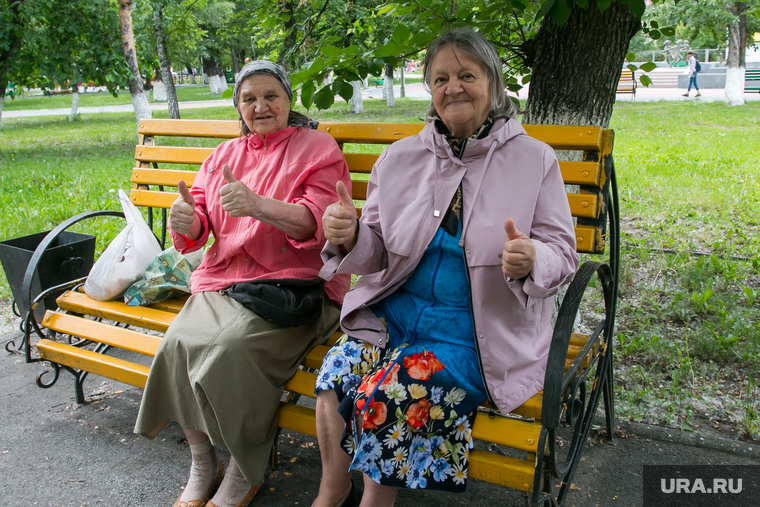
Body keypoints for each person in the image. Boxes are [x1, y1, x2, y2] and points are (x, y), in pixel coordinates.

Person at [311, 29, 580, 507]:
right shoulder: (400, 159)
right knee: (335, 378)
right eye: (440, 78)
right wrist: (351, 236)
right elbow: (376, 252)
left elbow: (563, 251)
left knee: (388, 395)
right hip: (393, 320)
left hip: (476, 335)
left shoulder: (534, 159)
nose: (453, 87)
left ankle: (375, 502)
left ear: (493, 85)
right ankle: (332, 489)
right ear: (430, 92)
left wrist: (534, 258)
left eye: (466, 75)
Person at [133, 60, 351, 507]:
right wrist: (188, 220)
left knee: (227, 353)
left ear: (289, 100)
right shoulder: (223, 157)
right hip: (224, 281)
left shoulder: (318, 148)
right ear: (238, 107)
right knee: (176, 346)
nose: (261, 106)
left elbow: (319, 225)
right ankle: (201, 462)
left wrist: (258, 205)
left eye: (271, 95)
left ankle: (242, 467)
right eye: (249, 99)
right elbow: (196, 227)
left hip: (295, 289)